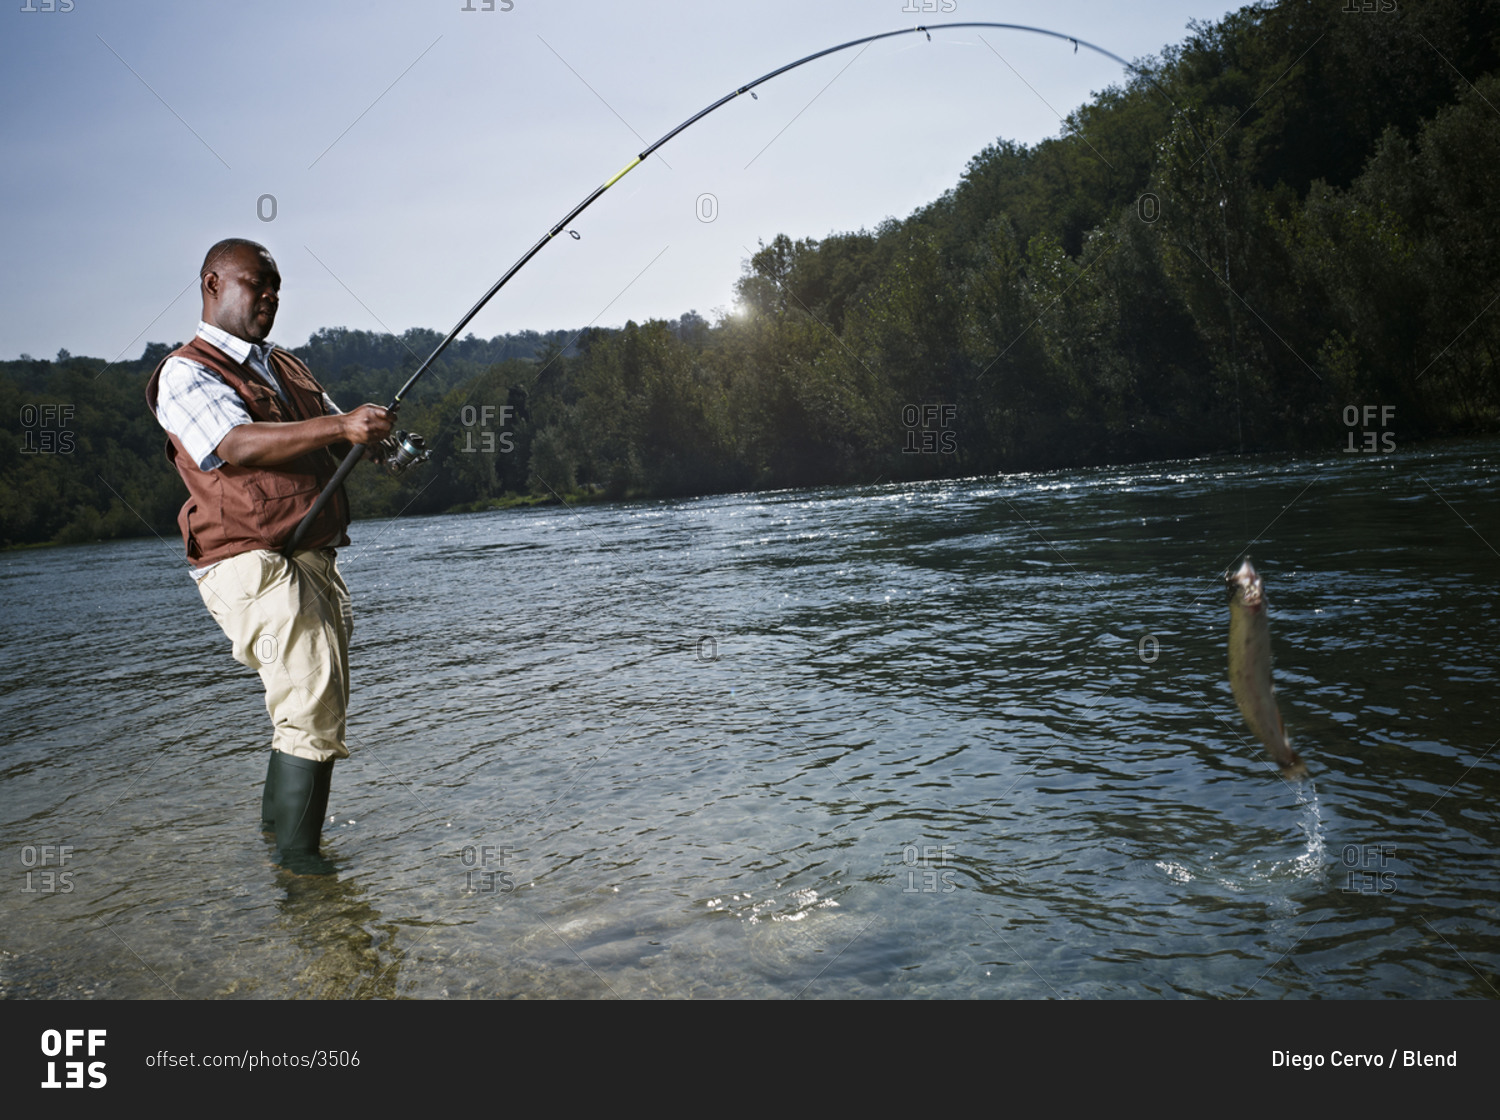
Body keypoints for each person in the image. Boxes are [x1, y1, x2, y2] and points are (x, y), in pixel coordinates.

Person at [146, 238, 394, 873]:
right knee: (309, 699)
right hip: (247, 560)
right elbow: (238, 444)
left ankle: (275, 845)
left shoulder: (287, 366)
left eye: (277, 286)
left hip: (309, 553)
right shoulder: (186, 371)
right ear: (212, 285)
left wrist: (375, 442)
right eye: (258, 283)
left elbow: (337, 435)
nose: (270, 296)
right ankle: (302, 873)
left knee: (311, 700)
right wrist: (343, 427)